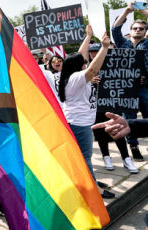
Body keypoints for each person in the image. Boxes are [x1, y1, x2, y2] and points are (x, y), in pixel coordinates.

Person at [58, 32, 115, 199]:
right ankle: (94, 189)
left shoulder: (71, 75)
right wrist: (104, 48)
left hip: (78, 122)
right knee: (85, 157)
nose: (86, 62)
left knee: (82, 156)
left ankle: (92, 181)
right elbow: (94, 69)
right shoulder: (76, 77)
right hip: (79, 124)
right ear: (78, 66)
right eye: (83, 63)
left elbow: (81, 56)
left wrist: (88, 37)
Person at [88, 43, 138, 173]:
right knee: (100, 133)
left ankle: (126, 158)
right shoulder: (86, 69)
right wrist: (89, 80)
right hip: (95, 107)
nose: (94, 54)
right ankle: (106, 157)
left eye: (96, 51)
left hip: (113, 104)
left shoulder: (113, 65)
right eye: (91, 52)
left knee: (118, 130)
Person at [112, 1, 148, 161]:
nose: (138, 30)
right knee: (129, 118)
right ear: (131, 30)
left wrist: (144, 11)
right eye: (135, 28)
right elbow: (115, 28)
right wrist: (127, 11)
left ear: (145, 31)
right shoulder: (123, 44)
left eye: (141, 28)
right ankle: (133, 146)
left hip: (145, 87)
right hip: (127, 88)